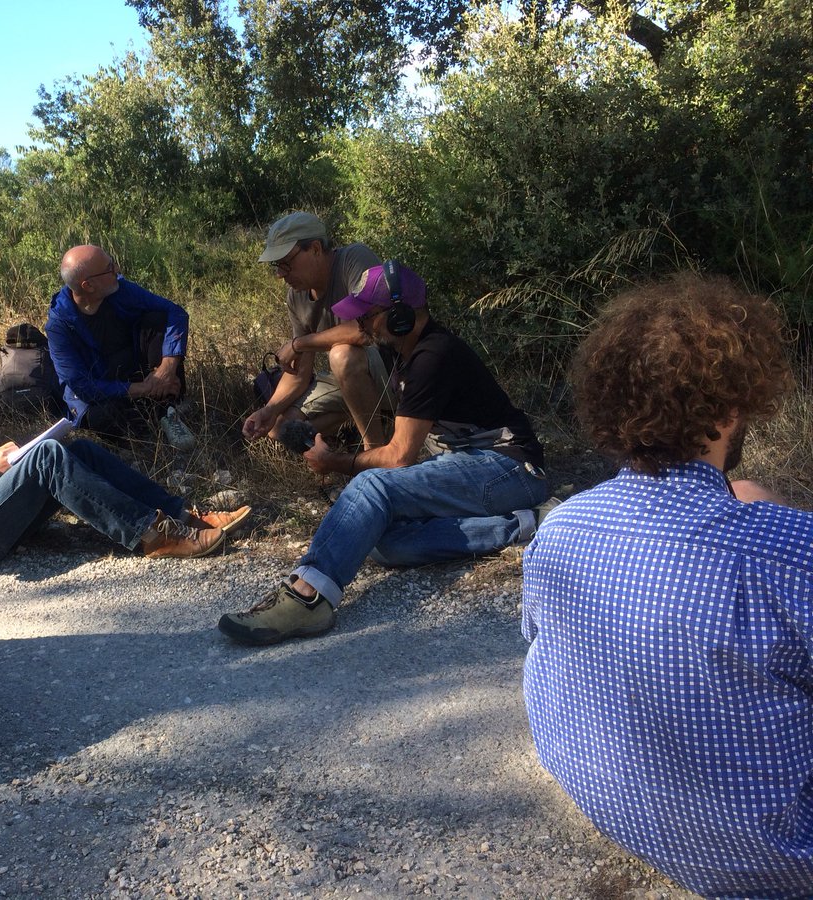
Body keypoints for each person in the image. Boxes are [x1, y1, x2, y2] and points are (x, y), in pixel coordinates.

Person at [521, 274, 813, 896]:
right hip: (773, 861)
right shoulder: (791, 557)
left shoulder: (563, 526)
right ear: (736, 405)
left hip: (614, 802)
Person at [220, 262, 549, 645]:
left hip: (509, 468)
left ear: (400, 317)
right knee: (383, 542)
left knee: (375, 484)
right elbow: (349, 336)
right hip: (478, 470)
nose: (359, 322)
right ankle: (526, 523)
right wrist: (299, 344)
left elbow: (399, 458)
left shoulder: (434, 355)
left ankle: (308, 595)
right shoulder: (398, 342)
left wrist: (335, 463)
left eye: (366, 314)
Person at [0, 318, 250, 573]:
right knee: (47, 457)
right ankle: (152, 536)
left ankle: (180, 515)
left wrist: (1, 470)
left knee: (77, 448)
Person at [243, 211, 393, 450]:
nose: (280, 274)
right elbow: (299, 375)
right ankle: (370, 417)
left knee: (342, 355)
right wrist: (268, 410)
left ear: (314, 248)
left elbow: (364, 330)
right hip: (352, 378)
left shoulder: (354, 259)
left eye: (285, 263)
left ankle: (374, 453)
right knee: (280, 428)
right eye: (276, 265)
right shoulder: (296, 296)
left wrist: (299, 344)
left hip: (395, 374)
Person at [47, 245, 192, 444]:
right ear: (88, 285)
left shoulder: (121, 290)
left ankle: (167, 410)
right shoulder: (59, 326)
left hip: (135, 371)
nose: (117, 270)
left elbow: (175, 312)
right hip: (107, 390)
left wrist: (167, 368)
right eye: (109, 268)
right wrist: (145, 388)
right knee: (103, 417)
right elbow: (83, 387)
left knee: (157, 320)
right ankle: (151, 413)